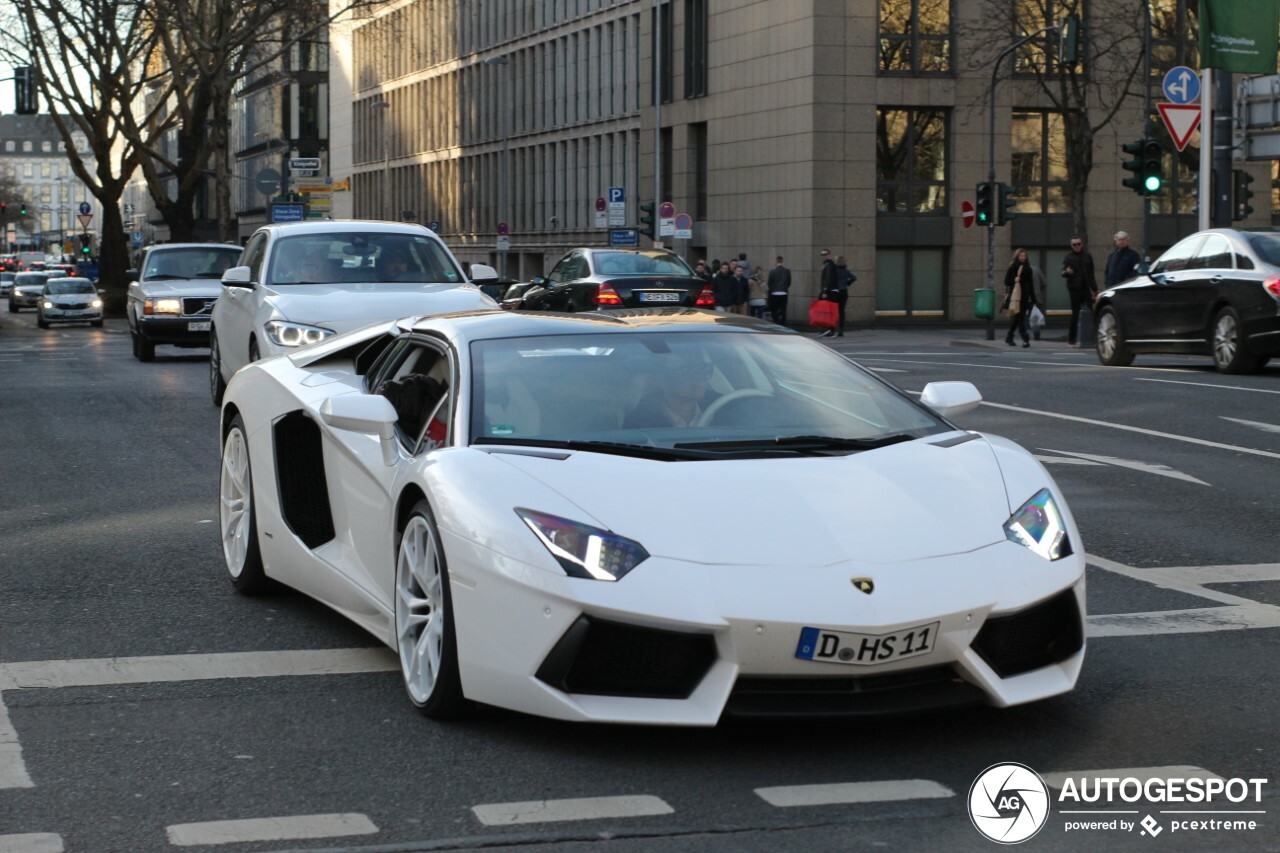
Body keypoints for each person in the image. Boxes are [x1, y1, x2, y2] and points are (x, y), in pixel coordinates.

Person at [623, 352, 714, 428]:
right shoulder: (637, 423)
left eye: (704, 370)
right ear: (663, 381)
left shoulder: (723, 409)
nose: (700, 378)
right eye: (688, 371)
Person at [1061, 236, 1097, 347]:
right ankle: (1072, 339)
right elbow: (1062, 272)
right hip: (1074, 289)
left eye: (1079, 244)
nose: (1077, 246)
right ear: (1071, 246)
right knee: (1075, 314)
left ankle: (1093, 338)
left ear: (1082, 244)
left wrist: (1094, 289)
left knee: (1091, 312)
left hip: (1085, 288)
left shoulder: (1087, 256)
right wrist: (1067, 272)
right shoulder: (1068, 257)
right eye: (1075, 245)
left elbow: (1091, 274)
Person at [1003, 247, 1038, 348]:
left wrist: (1034, 299)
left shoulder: (1028, 269)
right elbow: (1006, 282)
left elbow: (1031, 285)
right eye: (1021, 256)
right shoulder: (1013, 267)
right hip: (1015, 297)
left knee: (1018, 319)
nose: (1023, 258)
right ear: (1017, 256)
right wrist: (1015, 280)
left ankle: (1009, 337)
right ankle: (1025, 339)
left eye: (1024, 256)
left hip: (1024, 297)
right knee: (1020, 319)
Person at [817, 248, 838, 335]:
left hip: (828, 292)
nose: (823, 256)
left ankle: (827, 329)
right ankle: (830, 329)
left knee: (826, 310)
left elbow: (828, 279)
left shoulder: (829, 265)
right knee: (828, 310)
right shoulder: (828, 264)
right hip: (830, 291)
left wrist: (825, 291)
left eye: (825, 254)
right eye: (822, 254)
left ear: (829, 255)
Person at [766, 255, 792, 325]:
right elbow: (789, 282)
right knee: (783, 310)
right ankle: (783, 324)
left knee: (774, 310)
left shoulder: (772, 271)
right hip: (784, 292)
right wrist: (785, 288)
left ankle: (776, 322)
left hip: (774, 292)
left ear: (776, 261)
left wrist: (772, 289)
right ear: (782, 261)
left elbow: (769, 282)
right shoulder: (787, 271)